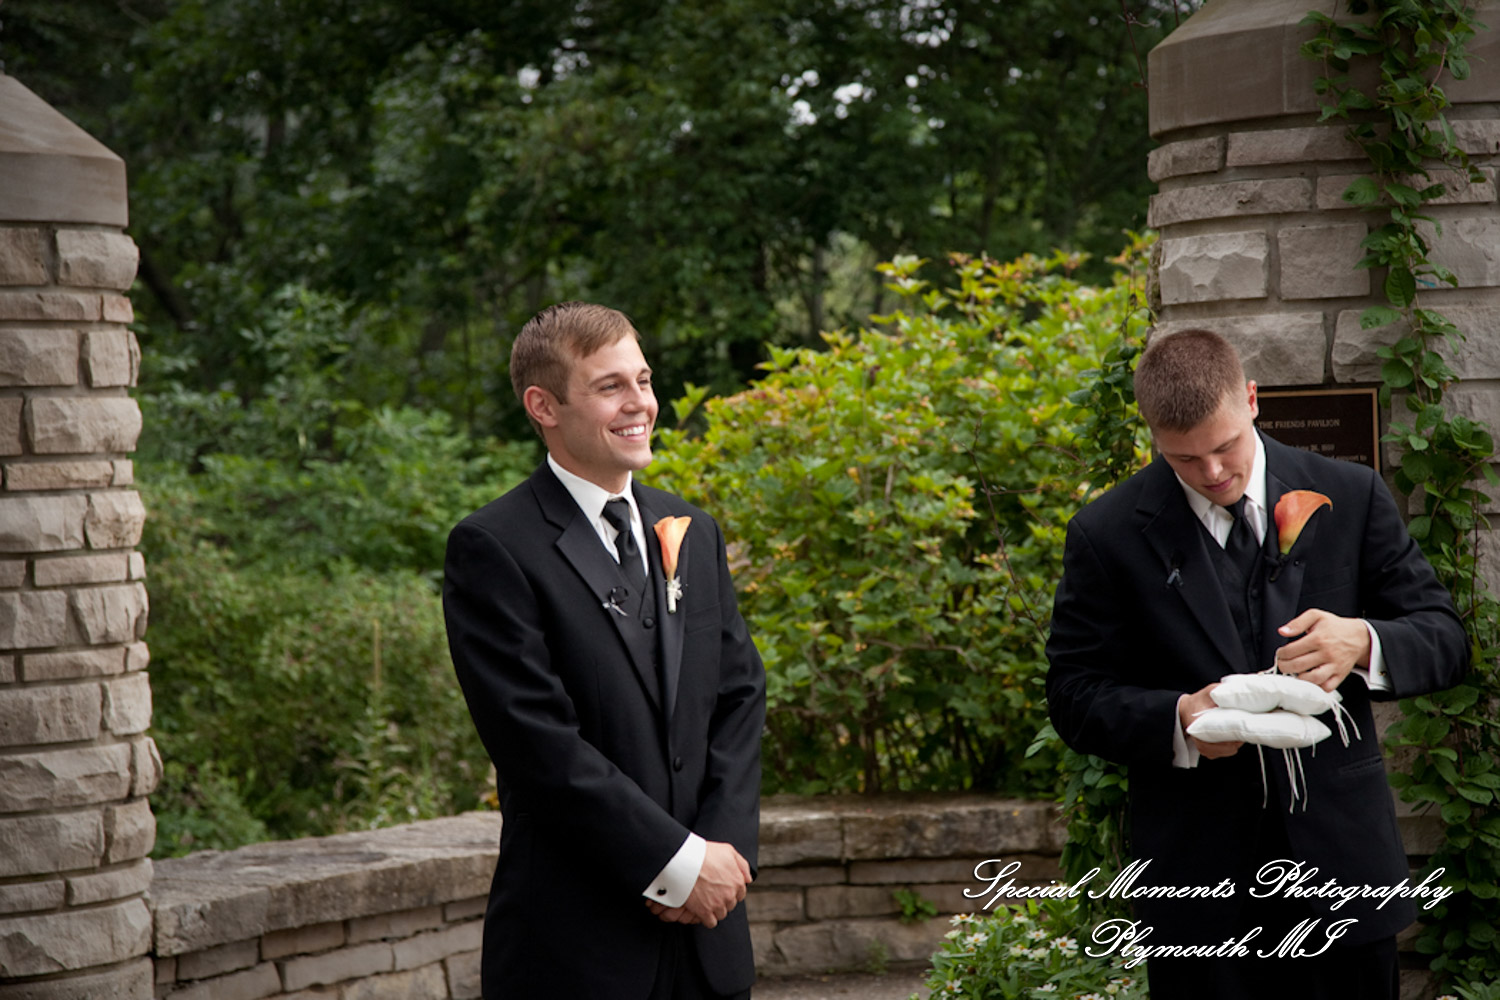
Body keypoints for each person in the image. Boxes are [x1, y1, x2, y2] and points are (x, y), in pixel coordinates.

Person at [1045, 328, 1468, 1000]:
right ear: (1152, 433)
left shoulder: (1351, 493)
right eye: (1184, 458)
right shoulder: (1107, 533)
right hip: (1196, 885)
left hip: (1345, 870)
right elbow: (1073, 694)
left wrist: (1362, 642)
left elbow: (1444, 639)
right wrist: (1180, 720)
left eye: (1225, 446)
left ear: (1251, 399)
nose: (1213, 472)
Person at [444, 302, 766, 1000]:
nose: (639, 403)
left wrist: (720, 856)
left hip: (711, 946)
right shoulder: (494, 548)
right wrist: (676, 865)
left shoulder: (692, 530)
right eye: (609, 386)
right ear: (544, 406)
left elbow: (740, 697)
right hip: (577, 951)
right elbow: (539, 747)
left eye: (643, 380)